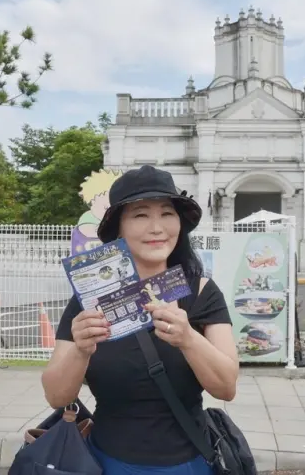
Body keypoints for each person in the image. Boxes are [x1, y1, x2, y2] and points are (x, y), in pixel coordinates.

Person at [42, 165, 239, 474]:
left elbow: (227, 387)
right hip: (108, 462)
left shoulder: (202, 292)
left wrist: (189, 339)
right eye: (140, 215)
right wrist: (80, 351)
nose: (157, 227)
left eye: (166, 213)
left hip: (191, 463)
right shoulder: (88, 303)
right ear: (118, 228)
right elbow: (56, 395)